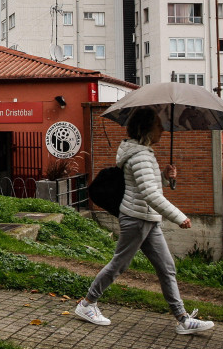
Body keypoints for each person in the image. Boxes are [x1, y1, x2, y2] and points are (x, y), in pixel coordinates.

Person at [74, 106, 215, 335]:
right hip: (137, 218)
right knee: (119, 264)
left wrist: (165, 178)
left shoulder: (143, 153)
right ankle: (87, 304)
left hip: (147, 219)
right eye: (159, 126)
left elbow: (146, 186)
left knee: (167, 268)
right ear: (147, 129)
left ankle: (182, 319)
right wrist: (179, 217)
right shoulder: (140, 156)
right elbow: (149, 194)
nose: (162, 130)